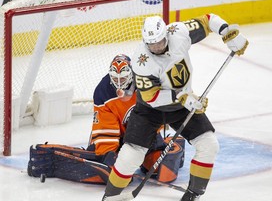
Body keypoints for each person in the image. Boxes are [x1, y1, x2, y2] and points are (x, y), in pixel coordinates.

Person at [102, 14, 249, 200]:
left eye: (159, 42)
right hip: (150, 111)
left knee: (209, 144)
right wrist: (183, 97)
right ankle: (109, 197)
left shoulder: (178, 32)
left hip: (182, 107)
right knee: (130, 157)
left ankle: (193, 194)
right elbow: (151, 97)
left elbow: (208, 20)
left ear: (166, 35)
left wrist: (228, 32)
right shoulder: (141, 60)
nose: (155, 47)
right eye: (151, 44)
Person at [27, 54, 184, 185]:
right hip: (114, 138)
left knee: (165, 172)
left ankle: (168, 147)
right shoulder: (103, 92)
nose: (119, 84)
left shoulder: (145, 82)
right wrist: (109, 154)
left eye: (123, 79)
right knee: (115, 174)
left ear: (132, 74)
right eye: (116, 79)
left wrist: (153, 136)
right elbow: (104, 130)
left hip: (141, 137)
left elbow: (157, 110)